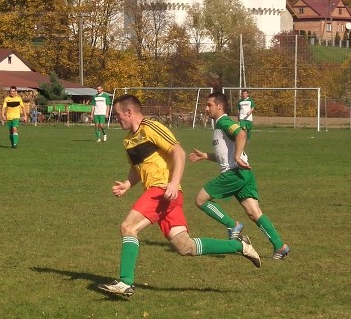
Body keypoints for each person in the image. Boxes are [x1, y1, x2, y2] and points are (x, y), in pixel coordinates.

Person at [97, 94, 261, 299]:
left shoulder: (151, 127)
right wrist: (127, 184)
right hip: (163, 195)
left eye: (118, 114)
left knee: (128, 227)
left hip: (163, 190)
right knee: (185, 246)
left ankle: (125, 282)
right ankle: (240, 246)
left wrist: (174, 182)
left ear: (129, 112)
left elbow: (179, 152)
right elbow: (137, 169)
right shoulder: (129, 141)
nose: (116, 118)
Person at [189, 91, 290, 259]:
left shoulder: (224, 122)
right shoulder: (218, 125)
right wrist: (206, 156)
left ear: (220, 106)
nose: (206, 108)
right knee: (254, 212)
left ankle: (232, 225)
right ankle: (280, 246)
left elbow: (241, 133)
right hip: (243, 173)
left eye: (209, 105)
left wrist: (237, 156)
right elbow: (224, 156)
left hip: (234, 173)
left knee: (200, 199)